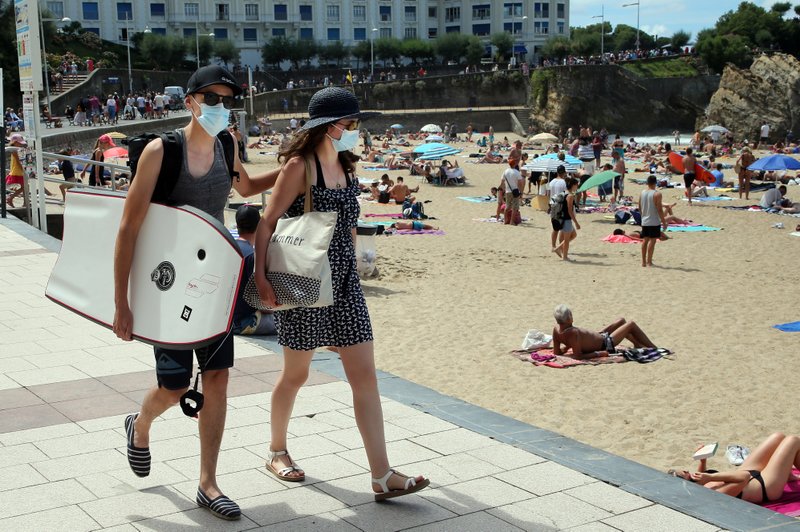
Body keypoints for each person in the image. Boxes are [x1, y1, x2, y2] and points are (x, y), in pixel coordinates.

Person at [113, 65, 281, 521]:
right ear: (189, 102)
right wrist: (121, 302)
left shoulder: (227, 143)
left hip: (214, 283)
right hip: (168, 285)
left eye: (227, 100)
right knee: (174, 387)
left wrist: (287, 174)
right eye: (211, 99)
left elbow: (244, 186)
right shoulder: (160, 152)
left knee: (219, 381)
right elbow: (128, 227)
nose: (220, 108)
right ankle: (140, 422)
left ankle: (208, 483)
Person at [251, 87, 429, 501]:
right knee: (295, 375)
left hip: (347, 285)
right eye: (350, 124)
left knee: (365, 376)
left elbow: (347, 223)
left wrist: (361, 256)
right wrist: (261, 279)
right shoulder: (300, 167)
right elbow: (266, 223)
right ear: (331, 126)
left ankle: (382, 475)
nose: (354, 131)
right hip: (306, 284)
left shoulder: (347, 168)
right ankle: (277, 451)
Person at [669, 432, 800, 505]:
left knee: (778, 437)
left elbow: (703, 477)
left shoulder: (699, 482)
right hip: (765, 486)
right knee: (793, 440)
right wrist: (710, 477)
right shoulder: (713, 495)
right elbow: (744, 477)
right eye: (683, 474)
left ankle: (787, 475)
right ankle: (783, 473)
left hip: (748, 471)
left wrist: (703, 461)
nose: (686, 471)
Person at [231, 205, 276, 336]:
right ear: (259, 225)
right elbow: (262, 302)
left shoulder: (227, 249)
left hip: (224, 322)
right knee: (287, 320)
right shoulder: (253, 256)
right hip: (244, 322)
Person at [551, 305, 657, 360]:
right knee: (631, 324)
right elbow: (578, 356)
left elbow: (556, 352)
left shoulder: (556, 330)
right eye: (571, 315)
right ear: (569, 319)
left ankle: (637, 344)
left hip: (601, 335)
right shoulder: (573, 333)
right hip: (605, 343)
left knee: (621, 320)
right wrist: (599, 353)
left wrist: (567, 347)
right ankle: (654, 348)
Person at [638, 175, 668, 267]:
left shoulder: (642, 192)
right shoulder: (657, 194)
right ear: (655, 183)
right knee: (653, 241)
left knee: (645, 240)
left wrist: (643, 216)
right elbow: (659, 209)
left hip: (645, 220)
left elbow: (639, 207)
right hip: (653, 220)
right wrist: (663, 221)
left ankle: (643, 261)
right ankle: (649, 261)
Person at [553, 177, 580, 261]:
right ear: (573, 185)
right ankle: (565, 257)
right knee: (567, 239)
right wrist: (576, 222)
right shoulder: (570, 196)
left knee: (573, 235)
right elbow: (570, 210)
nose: (577, 187)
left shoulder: (564, 192)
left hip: (561, 217)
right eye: (576, 185)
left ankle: (558, 248)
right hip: (566, 219)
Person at [548, 165, 568, 251]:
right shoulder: (564, 182)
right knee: (563, 229)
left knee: (555, 228)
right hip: (561, 206)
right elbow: (566, 195)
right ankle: (560, 246)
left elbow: (548, 195)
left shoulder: (551, 182)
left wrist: (549, 206)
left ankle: (553, 246)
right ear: (564, 172)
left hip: (553, 205)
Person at [5, 133, 27, 207]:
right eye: (19, 143)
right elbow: (18, 161)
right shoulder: (14, 150)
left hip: (17, 170)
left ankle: (24, 202)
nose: (21, 145)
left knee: (24, 187)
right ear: (15, 142)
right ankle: (10, 198)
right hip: (17, 171)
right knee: (24, 187)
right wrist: (23, 169)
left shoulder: (16, 149)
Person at [501, 157, 523, 225]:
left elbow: (502, 182)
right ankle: (511, 221)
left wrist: (503, 190)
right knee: (514, 207)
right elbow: (520, 183)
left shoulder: (505, 171)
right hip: (515, 191)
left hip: (508, 191)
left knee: (507, 206)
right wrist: (521, 192)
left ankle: (505, 220)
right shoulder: (517, 172)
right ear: (515, 164)